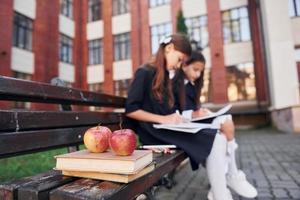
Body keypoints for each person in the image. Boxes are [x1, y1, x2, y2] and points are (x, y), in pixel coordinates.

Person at [126, 34, 233, 200]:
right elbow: (131, 109)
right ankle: (221, 194)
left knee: (217, 137)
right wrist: (164, 119)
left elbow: (168, 109)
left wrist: (178, 118)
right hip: (154, 132)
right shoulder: (144, 72)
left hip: (167, 129)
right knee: (215, 140)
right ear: (169, 49)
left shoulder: (163, 77)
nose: (178, 65)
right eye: (179, 59)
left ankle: (221, 192)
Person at [173, 51, 257, 199]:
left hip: (195, 123)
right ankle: (232, 175)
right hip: (183, 127)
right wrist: (193, 114)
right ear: (184, 65)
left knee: (225, 125)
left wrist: (202, 111)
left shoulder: (192, 86)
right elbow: (172, 112)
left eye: (201, 71)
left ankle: (231, 176)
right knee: (223, 125)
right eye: (195, 69)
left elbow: (194, 109)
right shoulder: (174, 84)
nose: (198, 74)